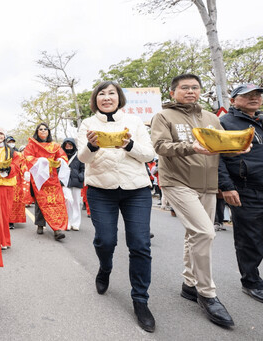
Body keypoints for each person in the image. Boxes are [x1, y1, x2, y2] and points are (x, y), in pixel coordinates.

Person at [151, 73, 235, 327]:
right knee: (205, 232)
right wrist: (191, 147)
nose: (190, 91)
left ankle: (189, 284)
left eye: (195, 88)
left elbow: (223, 145)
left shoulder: (211, 118)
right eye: (184, 88)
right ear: (172, 92)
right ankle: (207, 293)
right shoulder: (164, 116)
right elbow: (161, 146)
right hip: (177, 182)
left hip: (207, 184)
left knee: (194, 234)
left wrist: (238, 146)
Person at [77, 80, 155, 332]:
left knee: (140, 244)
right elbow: (81, 158)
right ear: (95, 100)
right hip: (101, 190)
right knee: (105, 240)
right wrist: (92, 145)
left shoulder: (134, 122)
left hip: (137, 191)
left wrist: (128, 144)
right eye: (102, 94)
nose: (107, 97)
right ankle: (105, 267)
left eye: (111, 93)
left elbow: (149, 154)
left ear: (119, 97)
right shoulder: (88, 124)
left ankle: (140, 299)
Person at [218, 84, 263, 304]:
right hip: (245, 189)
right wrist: (227, 186)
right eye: (247, 95)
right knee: (249, 239)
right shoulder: (226, 123)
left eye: (257, 94)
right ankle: (251, 282)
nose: (254, 98)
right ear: (234, 100)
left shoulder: (261, 121)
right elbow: (217, 157)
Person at [24, 123, 68, 241]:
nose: (43, 131)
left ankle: (57, 228)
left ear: (48, 131)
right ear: (37, 132)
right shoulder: (32, 145)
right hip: (39, 179)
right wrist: (41, 161)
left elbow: (63, 157)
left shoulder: (55, 146)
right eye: (40, 129)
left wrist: (60, 161)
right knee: (41, 202)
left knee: (56, 202)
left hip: (52, 178)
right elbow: (27, 157)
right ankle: (40, 224)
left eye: (45, 129)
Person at [61, 137, 84, 231]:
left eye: (70, 145)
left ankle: (76, 223)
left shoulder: (79, 155)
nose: (68, 147)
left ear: (73, 145)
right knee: (68, 201)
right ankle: (68, 222)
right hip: (65, 182)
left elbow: (83, 168)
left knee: (76, 203)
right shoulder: (61, 156)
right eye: (66, 145)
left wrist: (81, 176)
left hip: (76, 182)